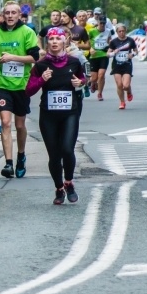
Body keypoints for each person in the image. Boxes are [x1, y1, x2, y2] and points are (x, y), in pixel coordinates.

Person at [26, 27, 85, 204]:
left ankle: (69, 182)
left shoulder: (74, 62)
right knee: (54, 155)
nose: (54, 42)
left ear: (64, 41)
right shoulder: (41, 65)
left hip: (70, 113)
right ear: (47, 43)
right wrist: (41, 79)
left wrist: (80, 82)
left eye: (57, 39)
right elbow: (28, 90)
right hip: (49, 115)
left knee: (67, 149)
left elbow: (83, 80)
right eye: (50, 39)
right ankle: (59, 188)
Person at [0, 0, 40, 179]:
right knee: (5, 123)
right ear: (3, 15)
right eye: (7, 13)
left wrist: (12, 57)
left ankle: (21, 155)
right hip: (2, 84)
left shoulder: (27, 32)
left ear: (19, 15)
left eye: (13, 13)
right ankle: (8, 163)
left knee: (19, 125)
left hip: (21, 85)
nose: (10, 16)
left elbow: (34, 57)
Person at [107, 23, 137, 109]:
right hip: (116, 65)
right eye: (119, 31)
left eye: (123, 31)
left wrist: (132, 54)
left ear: (125, 31)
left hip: (127, 65)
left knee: (126, 85)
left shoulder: (130, 40)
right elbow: (108, 54)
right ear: (116, 32)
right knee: (119, 85)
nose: (121, 33)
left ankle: (129, 91)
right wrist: (113, 53)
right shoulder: (113, 42)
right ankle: (122, 102)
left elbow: (136, 50)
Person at [88, 17, 113, 101]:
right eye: (100, 23)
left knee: (101, 75)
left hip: (104, 55)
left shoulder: (108, 31)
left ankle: (100, 93)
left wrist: (110, 48)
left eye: (103, 23)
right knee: (94, 78)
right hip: (94, 56)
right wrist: (90, 49)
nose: (102, 25)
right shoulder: (92, 31)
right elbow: (86, 42)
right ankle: (93, 83)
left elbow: (110, 41)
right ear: (97, 23)